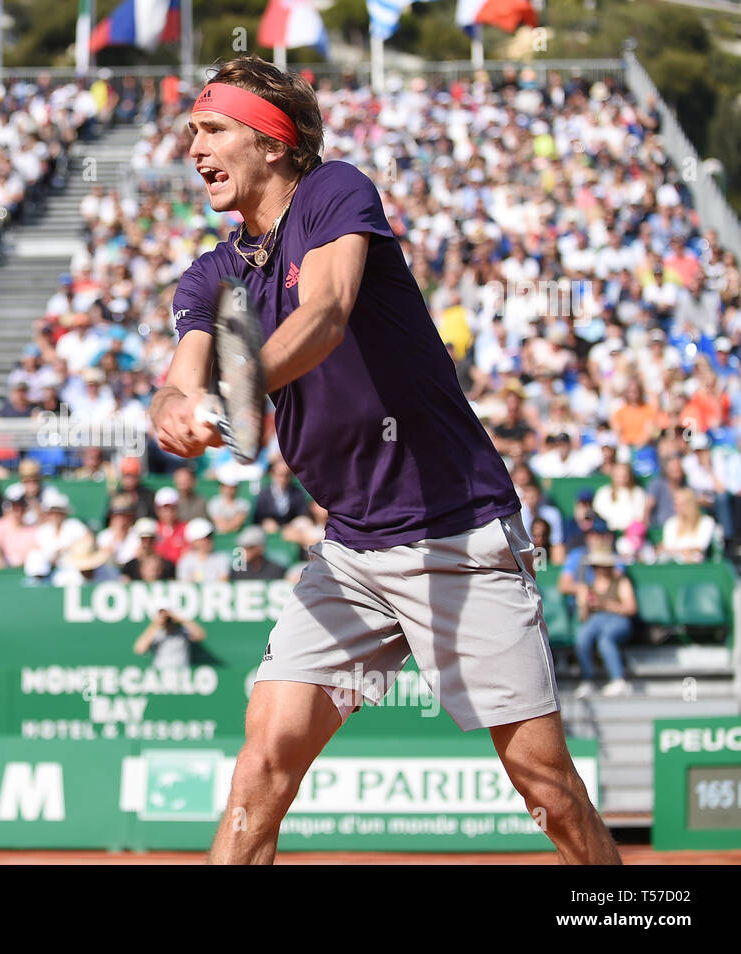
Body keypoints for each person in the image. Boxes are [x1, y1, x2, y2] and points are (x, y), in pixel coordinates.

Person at [152, 57, 616, 863]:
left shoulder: (334, 191)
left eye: (215, 128)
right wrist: (173, 413)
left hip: (457, 536)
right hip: (352, 552)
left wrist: (236, 387)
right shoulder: (214, 272)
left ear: (273, 143)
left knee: (545, 788)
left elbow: (327, 313)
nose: (195, 147)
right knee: (261, 765)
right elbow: (180, 377)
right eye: (193, 130)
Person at [574, 552, 638, 699]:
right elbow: (583, 618)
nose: (599, 570)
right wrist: (584, 604)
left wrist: (604, 604)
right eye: (596, 567)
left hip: (618, 619)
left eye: (602, 566)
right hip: (595, 620)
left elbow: (630, 609)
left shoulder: (621, 582)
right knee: (582, 638)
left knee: (606, 640)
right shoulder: (588, 586)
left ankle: (618, 680)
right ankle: (587, 681)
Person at [133, 607, 206, 669]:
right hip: (161, 675)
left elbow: (200, 635)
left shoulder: (182, 630)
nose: (166, 618)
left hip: (181, 675)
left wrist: (180, 619)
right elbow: (140, 649)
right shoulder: (155, 632)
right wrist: (156, 624)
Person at [659, 487, 716, 563]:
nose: (676, 508)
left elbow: (701, 546)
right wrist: (683, 552)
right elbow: (668, 546)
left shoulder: (706, 522)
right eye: (676, 504)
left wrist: (683, 552)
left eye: (680, 504)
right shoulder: (670, 523)